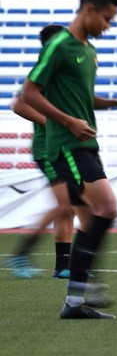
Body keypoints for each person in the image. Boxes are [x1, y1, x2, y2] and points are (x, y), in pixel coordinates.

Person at [22, 0, 117, 319]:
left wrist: (116, 102)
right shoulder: (59, 44)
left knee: (89, 219)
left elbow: (83, 99)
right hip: (67, 146)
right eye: (106, 18)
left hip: (86, 145)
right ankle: (84, 287)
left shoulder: (88, 51)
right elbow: (29, 93)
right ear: (89, 10)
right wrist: (67, 121)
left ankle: (75, 301)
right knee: (107, 207)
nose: (108, 26)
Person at [5, 25, 75, 279]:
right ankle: (21, 254)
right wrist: (53, 123)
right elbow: (19, 104)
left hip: (60, 147)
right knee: (67, 203)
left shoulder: (58, 71)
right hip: (47, 149)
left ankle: (63, 266)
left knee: (68, 207)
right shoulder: (44, 69)